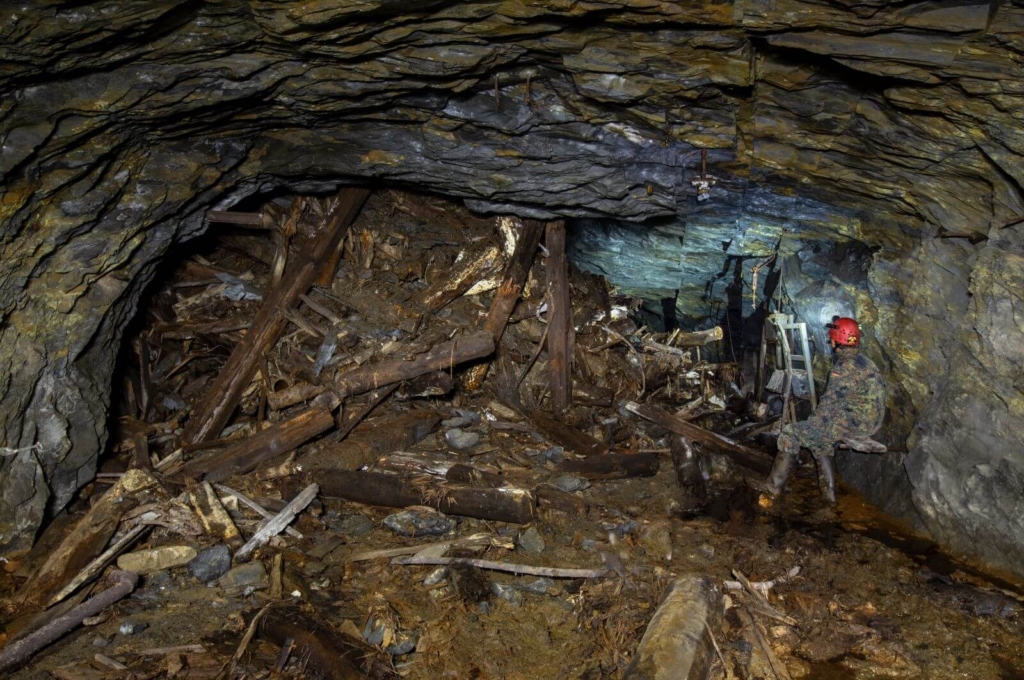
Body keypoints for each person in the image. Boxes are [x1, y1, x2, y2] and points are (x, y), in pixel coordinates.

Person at [763, 316, 886, 505]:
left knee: (791, 433)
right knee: (820, 441)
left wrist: (812, 423)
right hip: (868, 423)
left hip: (853, 424)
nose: (830, 341)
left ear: (838, 340)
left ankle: (771, 490)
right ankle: (829, 499)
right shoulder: (866, 363)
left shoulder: (843, 367)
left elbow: (828, 405)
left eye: (831, 338)